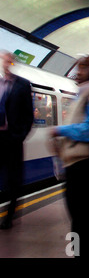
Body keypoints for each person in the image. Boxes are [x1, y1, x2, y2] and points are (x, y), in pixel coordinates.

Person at [48, 55, 89, 257]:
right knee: (80, 219)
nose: (76, 73)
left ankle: (87, 254)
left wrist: (61, 130)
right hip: (77, 166)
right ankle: (81, 253)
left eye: (81, 68)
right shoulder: (82, 94)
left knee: (85, 220)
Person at [0, 52, 34, 230]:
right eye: (4, 61)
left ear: (14, 63)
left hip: (12, 138)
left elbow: (29, 116)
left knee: (14, 179)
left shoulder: (22, 84)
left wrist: (19, 136)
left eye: (9, 61)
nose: (6, 64)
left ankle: (10, 216)